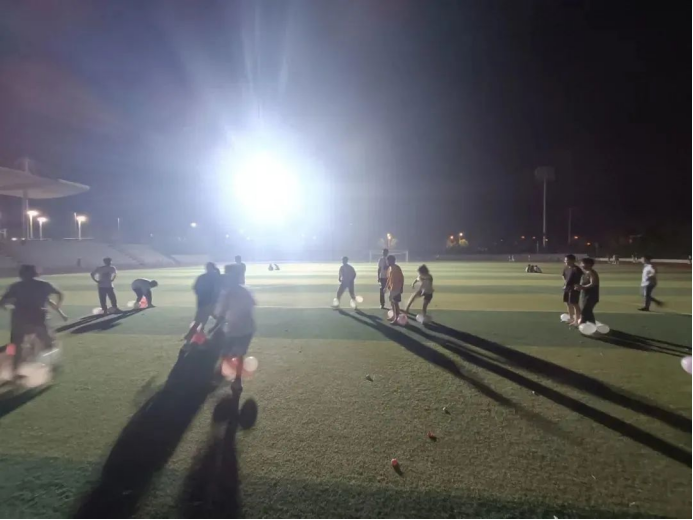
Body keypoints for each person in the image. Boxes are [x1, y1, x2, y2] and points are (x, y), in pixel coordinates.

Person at [0, 265, 64, 378]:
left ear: (21, 274)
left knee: (14, 343)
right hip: (37, 316)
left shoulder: (15, 286)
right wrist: (58, 306)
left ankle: (13, 366)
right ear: (36, 273)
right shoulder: (44, 284)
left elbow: (3, 301)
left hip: (19, 317)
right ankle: (49, 363)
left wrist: (5, 305)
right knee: (47, 341)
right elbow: (59, 294)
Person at [213, 264, 256, 391]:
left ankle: (233, 376)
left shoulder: (229, 293)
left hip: (236, 329)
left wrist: (216, 325)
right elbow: (251, 305)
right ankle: (235, 378)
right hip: (245, 328)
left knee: (228, 353)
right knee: (236, 354)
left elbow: (221, 313)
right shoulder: (244, 291)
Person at [184, 263, 222, 341]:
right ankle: (193, 334)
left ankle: (191, 335)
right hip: (211, 303)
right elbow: (218, 289)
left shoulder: (202, 277)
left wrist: (201, 296)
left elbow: (195, 288)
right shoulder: (216, 277)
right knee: (220, 318)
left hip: (203, 302)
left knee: (200, 320)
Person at [578, 258, 600, 324]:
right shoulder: (585, 273)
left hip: (591, 296)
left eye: (583, 263)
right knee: (587, 311)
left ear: (589, 264)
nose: (581, 265)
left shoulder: (591, 273)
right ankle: (591, 324)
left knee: (585, 311)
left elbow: (593, 283)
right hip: (585, 295)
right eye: (581, 263)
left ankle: (584, 323)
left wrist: (583, 287)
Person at [562, 254, 583, 326]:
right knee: (568, 303)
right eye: (565, 260)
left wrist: (578, 286)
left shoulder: (577, 269)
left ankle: (577, 320)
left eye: (567, 260)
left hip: (574, 289)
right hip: (567, 288)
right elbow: (563, 276)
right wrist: (565, 284)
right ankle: (571, 318)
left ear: (572, 260)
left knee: (574, 304)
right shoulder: (566, 268)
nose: (565, 261)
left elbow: (582, 279)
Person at [386, 255, 404, 324]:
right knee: (392, 303)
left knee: (396, 303)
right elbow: (389, 278)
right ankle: (394, 316)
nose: (387, 262)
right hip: (391, 288)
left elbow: (402, 278)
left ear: (391, 261)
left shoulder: (397, 268)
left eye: (388, 261)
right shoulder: (389, 268)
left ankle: (396, 319)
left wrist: (401, 288)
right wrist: (386, 286)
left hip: (396, 288)